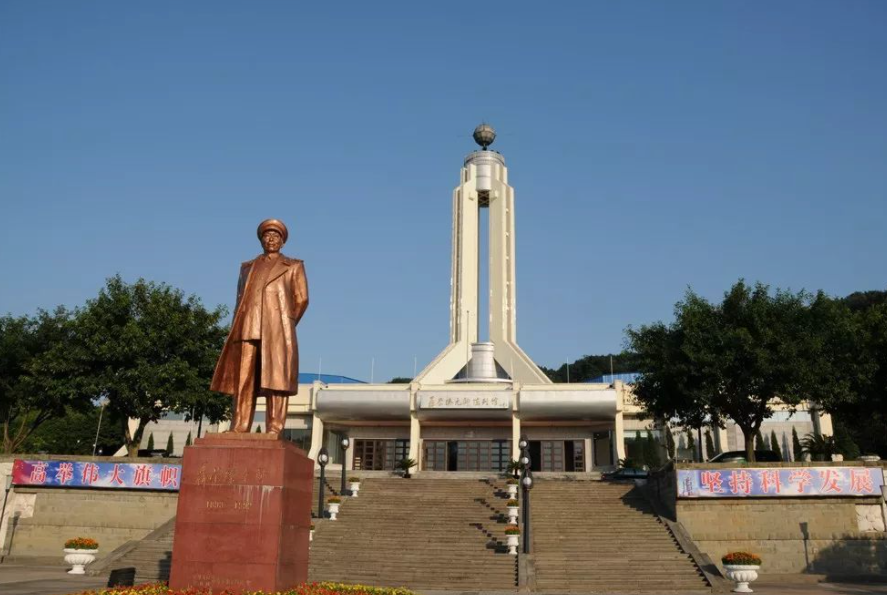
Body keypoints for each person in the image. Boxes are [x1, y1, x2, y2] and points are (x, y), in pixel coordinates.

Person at [210, 219, 309, 436]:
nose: (271, 239)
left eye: (276, 236)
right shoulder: (247, 267)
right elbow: (239, 299)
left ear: (282, 242)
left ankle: (274, 427)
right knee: (243, 379)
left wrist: (285, 323)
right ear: (261, 240)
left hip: (277, 330)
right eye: (267, 235)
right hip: (248, 327)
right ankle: (239, 425)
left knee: (277, 379)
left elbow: (301, 299)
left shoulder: (293, 266)